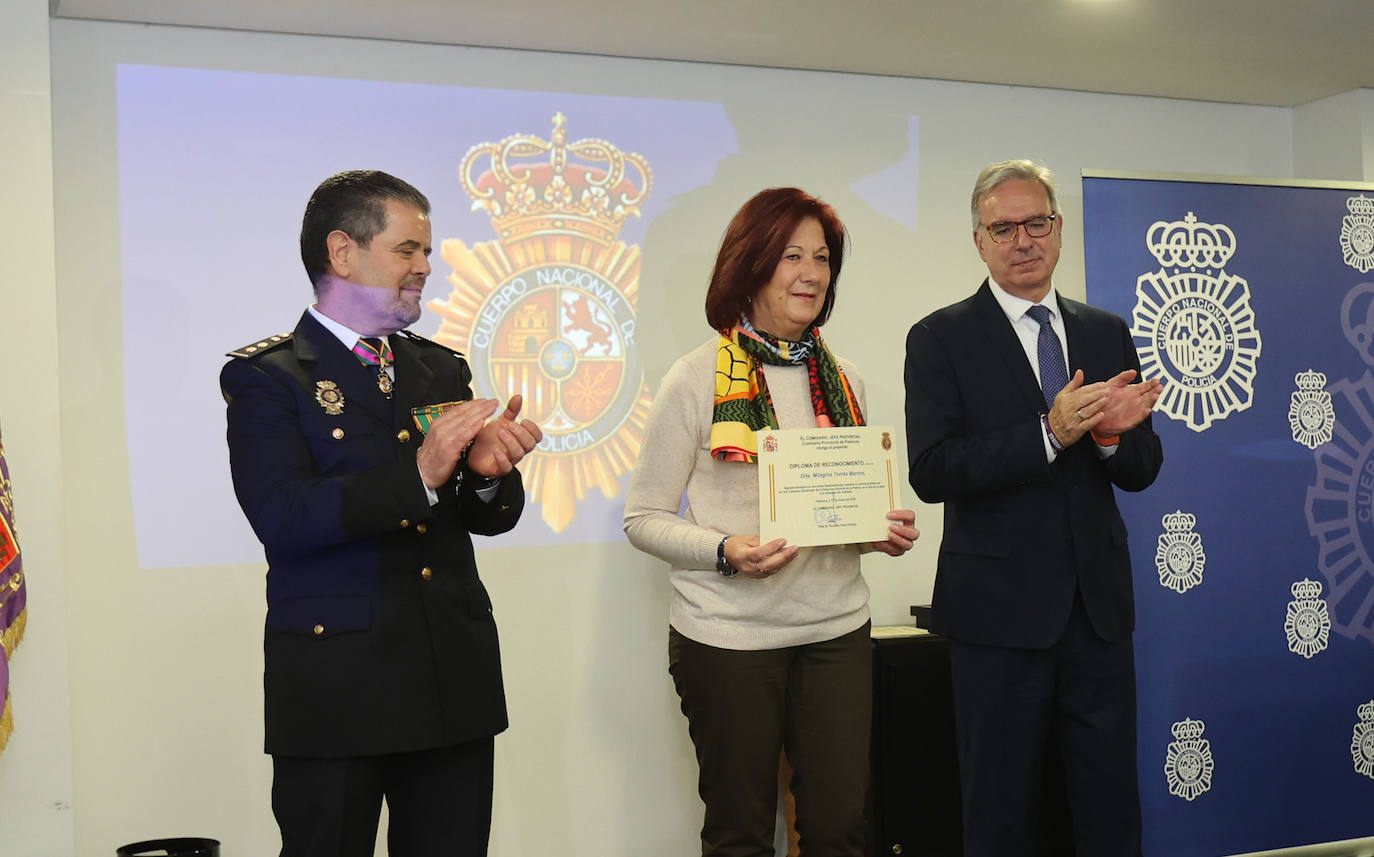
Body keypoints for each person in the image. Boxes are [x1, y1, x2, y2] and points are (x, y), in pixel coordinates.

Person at [221, 170, 542, 857]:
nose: (425, 266)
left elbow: (481, 518)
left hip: (450, 678)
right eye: (407, 250)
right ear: (342, 252)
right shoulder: (270, 376)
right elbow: (283, 516)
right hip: (339, 690)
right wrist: (419, 474)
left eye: (427, 251)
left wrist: (488, 479)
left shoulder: (439, 369)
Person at [624, 187, 920, 857]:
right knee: (741, 835)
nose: (811, 273)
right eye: (791, 255)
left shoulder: (845, 380)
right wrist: (726, 549)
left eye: (822, 258)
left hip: (836, 631)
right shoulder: (695, 378)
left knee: (840, 829)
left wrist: (874, 530)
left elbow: (837, 508)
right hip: (728, 639)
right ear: (750, 264)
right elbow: (643, 518)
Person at [903, 160, 1164, 857]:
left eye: (1036, 223)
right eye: (1003, 228)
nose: (1023, 240)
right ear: (979, 241)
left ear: (1058, 229)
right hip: (997, 618)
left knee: (1111, 806)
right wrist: (1047, 434)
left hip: (1097, 614)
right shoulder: (940, 338)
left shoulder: (1105, 331)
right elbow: (933, 469)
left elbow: (1143, 468)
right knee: (1001, 813)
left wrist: (1108, 437)